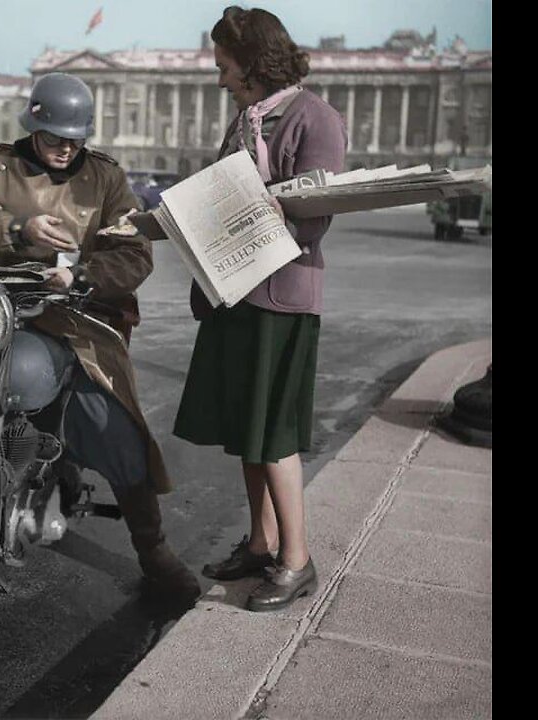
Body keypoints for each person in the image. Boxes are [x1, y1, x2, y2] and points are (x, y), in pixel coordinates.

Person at [0, 72, 201, 606]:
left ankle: (153, 549)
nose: (65, 149)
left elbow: (135, 253)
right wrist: (16, 231)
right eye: (54, 139)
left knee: (117, 429)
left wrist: (83, 272)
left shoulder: (108, 179)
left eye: (75, 140)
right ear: (34, 126)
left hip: (77, 317)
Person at [173, 6, 347, 612]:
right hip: (233, 293)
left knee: (273, 433)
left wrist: (253, 211)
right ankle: (260, 541)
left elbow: (315, 218)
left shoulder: (314, 117)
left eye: (224, 66)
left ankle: (297, 560)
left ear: (251, 62)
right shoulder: (246, 119)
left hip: (280, 296)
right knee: (248, 431)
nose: (219, 79)